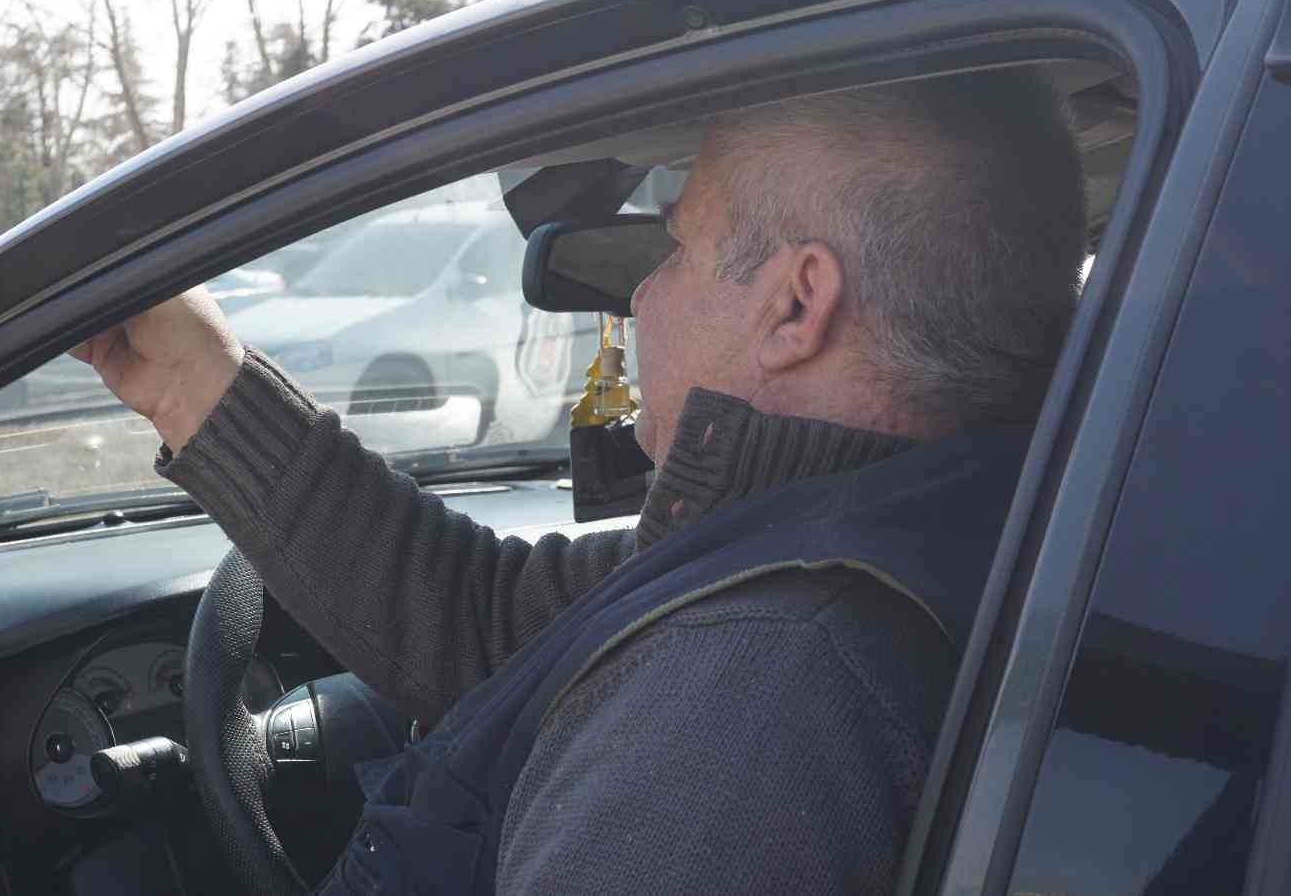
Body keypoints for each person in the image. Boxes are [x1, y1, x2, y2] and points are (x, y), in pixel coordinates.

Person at [73, 67, 1085, 894]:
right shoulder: (901, 531)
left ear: (794, 306)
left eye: (677, 243)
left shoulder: (741, 707)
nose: (641, 290)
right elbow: (490, 619)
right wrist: (191, 385)